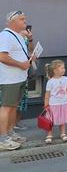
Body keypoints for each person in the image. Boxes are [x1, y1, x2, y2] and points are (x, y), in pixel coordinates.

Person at [0, 11, 36, 150]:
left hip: (19, 77)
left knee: (14, 106)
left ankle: (10, 133)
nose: (25, 21)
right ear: (12, 21)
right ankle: (2, 138)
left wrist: (29, 59)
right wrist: (21, 65)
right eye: (22, 19)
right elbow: (2, 57)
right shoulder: (5, 36)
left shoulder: (18, 35)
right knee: (7, 107)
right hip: (10, 79)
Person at [44, 60, 67, 144]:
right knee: (50, 120)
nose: (64, 69)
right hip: (53, 104)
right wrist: (46, 104)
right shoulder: (50, 82)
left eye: (64, 68)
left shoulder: (65, 79)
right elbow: (47, 94)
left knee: (62, 119)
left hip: (63, 103)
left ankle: (63, 133)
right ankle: (49, 134)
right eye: (62, 68)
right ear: (55, 70)